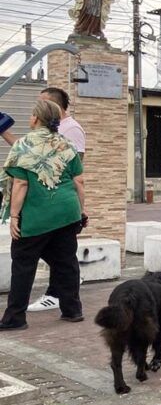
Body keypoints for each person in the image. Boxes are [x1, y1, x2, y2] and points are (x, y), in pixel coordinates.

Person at [0, 99, 86, 330]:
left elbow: (20, 184)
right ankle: (72, 310)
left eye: (31, 115)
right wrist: (81, 211)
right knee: (66, 262)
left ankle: (15, 318)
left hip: (37, 215)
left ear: (37, 119)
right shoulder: (66, 144)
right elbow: (79, 181)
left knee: (23, 265)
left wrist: (15, 217)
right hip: (67, 212)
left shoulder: (24, 145)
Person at [26, 88, 86, 313]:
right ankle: (64, 287)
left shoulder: (72, 129)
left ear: (55, 106)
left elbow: (75, 171)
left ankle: (58, 292)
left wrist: (81, 209)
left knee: (54, 251)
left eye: (42, 102)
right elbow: (27, 157)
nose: (37, 107)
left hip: (60, 201)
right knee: (53, 250)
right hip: (45, 199)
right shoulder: (46, 132)